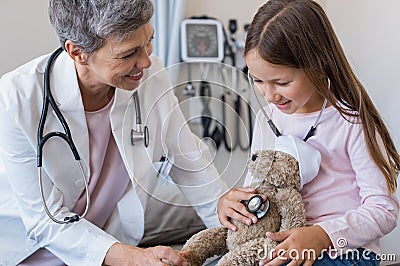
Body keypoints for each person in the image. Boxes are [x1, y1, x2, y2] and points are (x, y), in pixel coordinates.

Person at [0, 0, 228, 265]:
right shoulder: (18, 97)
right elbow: (45, 221)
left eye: (148, 41)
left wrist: (231, 222)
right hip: (30, 251)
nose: (145, 60)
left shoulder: (151, 75)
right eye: (128, 53)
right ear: (77, 52)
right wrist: (134, 258)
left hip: (111, 236)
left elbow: (190, 162)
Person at [217, 0, 400, 265]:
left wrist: (322, 235)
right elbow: (259, 189)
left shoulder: (351, 122)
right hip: (281, 245)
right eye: (257, 80)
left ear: (317, 65)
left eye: (282, 82)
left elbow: (384, 210)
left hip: (345, 251)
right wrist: (232, 204)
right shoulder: (265, 118)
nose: (269, 95)